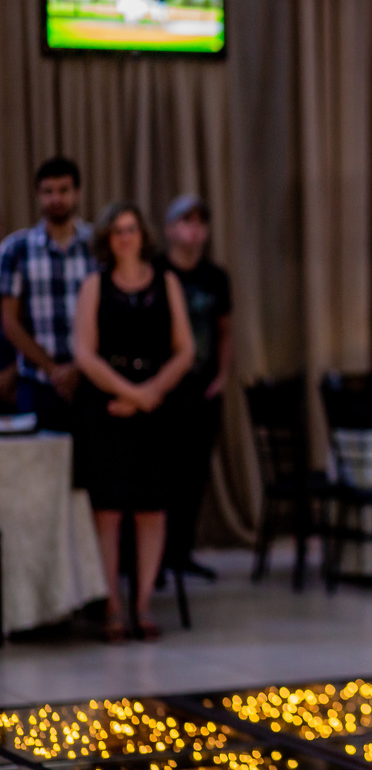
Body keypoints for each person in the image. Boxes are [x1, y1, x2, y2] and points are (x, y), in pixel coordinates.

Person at [73, 202, 195, 642]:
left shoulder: (166, 282)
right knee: (108, 511)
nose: (125, 237)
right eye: (117, 231)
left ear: (143, 235)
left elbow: (185, 349)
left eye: (131, 229)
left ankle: (142, 604)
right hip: (107, 405)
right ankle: (112, 603)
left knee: (150, 509)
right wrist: (129, 393)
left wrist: (150, 393)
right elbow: (84, 352)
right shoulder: (95, 285)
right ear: (107, 239)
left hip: (156, 405)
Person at [157, 194, 232, 581]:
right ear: (170, 228)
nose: (194, 230)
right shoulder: (157, 272)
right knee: (161, 474)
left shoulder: (214, 277)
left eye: (200, 222)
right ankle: (154, 557)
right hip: (163, 389)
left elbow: (224, 330)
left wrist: (222, 376)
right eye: (186, 221)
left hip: (202, 388)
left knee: (193, 474)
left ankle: (182, 551)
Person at [0, 157, 98, 433]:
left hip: (92, 378)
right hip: (38, 381)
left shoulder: (97, 245)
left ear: (77, 193)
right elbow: (10, 321)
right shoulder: (16, 249)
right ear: (38, 195)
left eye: (64, 190)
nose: (56, 199)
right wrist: (54, 369)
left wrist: (78, 367)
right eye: (48, 191)